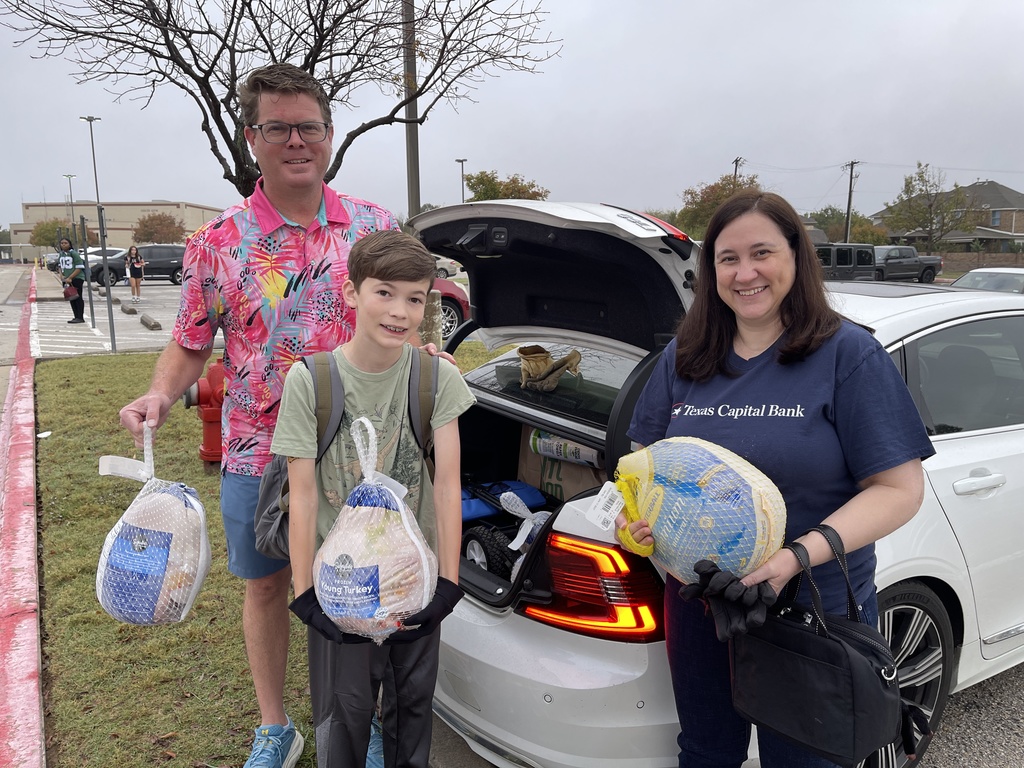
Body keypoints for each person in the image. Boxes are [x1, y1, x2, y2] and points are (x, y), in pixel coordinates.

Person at [119, 63, 401, 768]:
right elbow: (190, 343)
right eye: (279, 128)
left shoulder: (373, 226)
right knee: (267, 585)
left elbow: (405, 322)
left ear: (330, 135)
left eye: (309, 126)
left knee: (356, 580)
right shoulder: (217, 242)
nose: (296, 140)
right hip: (256, 451)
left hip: (355, 450)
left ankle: (354, 718)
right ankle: (277, 725)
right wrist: (159, 392)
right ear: (254, 139)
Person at [618, 190, 935, 768]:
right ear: (710, 269)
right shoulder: (686, 355)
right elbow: (644, 470)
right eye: (727, 258)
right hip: (700, 605)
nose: (745, 273)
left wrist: (792, 558)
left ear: (796, 256)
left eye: (761, 253)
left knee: (806, 758)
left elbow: (899, 490)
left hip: (811, 610)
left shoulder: (847, 354)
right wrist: (633, 528)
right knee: (706, 751)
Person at [272, 230, 474, 768]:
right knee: (345, 718)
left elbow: (449, 483)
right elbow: (304, 493)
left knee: (412, 713)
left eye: (415, 298)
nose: (400, 312)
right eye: (384, 293)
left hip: (415, 577)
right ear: (351, 292)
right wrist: (305, 593)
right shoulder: (310, 381)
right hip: (341, 584)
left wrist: (449, 584)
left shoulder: (437, 379)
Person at [57, 237, 86, 324]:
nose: (63, 245)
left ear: (69, 244)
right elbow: (60, 266)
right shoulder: (61, 254)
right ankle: (75, 316)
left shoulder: (74, 254)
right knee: (71, 297)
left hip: (76, 278)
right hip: (66, 279)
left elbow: (79, 267)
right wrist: (61, 275)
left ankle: (80, 317)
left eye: (65, 243)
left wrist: (71, 277)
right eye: (62, 243)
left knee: (77, 297)